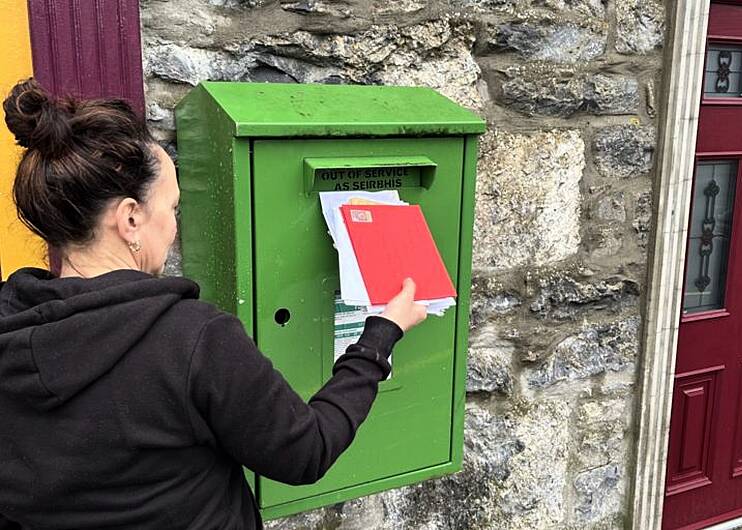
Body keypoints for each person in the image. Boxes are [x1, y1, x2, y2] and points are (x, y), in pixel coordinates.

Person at [0, 78, 427, 529]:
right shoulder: (190, 341)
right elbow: (306, 451)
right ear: (130, 219)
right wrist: (380, 336)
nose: (174, 227)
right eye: (173, 208)